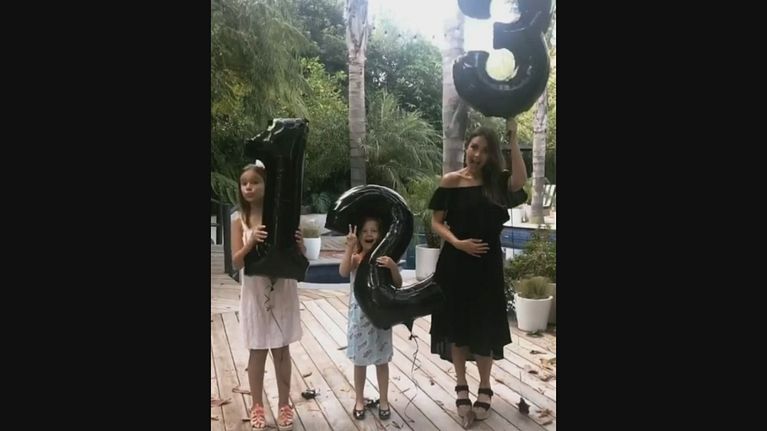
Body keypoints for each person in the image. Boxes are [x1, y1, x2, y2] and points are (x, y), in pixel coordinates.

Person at [428, 120, 528, 422]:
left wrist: (513, 139)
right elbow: (436, 222)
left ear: (491, 155)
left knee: (485, 328)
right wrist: (458, 243)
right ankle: (461, 386)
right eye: (474, 147)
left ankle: (485, 387)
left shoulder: (496, 183)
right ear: (466, 148)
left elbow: (520, 180)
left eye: (484, 150)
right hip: (455, 265)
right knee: (458, 328)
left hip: (487, 267)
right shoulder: (451, 181)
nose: (477, 154)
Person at [231, 162, 305, 431]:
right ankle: (257, 406)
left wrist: (300, 244)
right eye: (244, 183)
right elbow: (237, 261)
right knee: (257, 349)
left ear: (267, 185)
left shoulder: (283, 216)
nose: (249, 187)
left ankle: (285, 404)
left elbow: (298, 259)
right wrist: (251, 242)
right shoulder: (238, 219)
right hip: (254, 292)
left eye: (255, 182)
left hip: (282, 290)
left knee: (282, 349)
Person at [339, 217, 402, 421]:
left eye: (374, 231)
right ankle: (359, 399)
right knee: (360, 362)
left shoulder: (385, 259)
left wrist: (392, 267)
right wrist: (349, 248)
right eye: (365, 231)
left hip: (380, 317)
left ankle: (384, 400)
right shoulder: (356, 258)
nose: (369, 234)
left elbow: (398, 284)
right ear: (359, 235)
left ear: (380, 235)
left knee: (382, 361)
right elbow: (343, 272)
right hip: (359, 318)